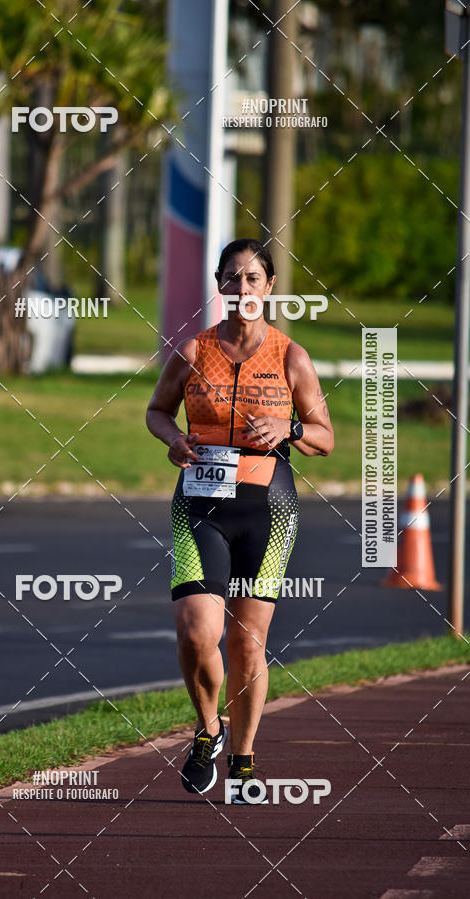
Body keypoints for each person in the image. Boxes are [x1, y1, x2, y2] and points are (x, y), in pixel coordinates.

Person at [146, 238, 334, 802]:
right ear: (220, 285)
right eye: (232, 278)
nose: (242, 289)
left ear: (269, 287)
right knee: (195, 632)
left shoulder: (290, 356)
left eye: (253, 279)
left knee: (246, 645)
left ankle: (244, 757)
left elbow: (325, 437)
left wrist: (290, 431)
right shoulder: (192, 351)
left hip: (266, 511)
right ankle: (207, 729)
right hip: (199, 506)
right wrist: (174, 438)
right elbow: (156, 411)